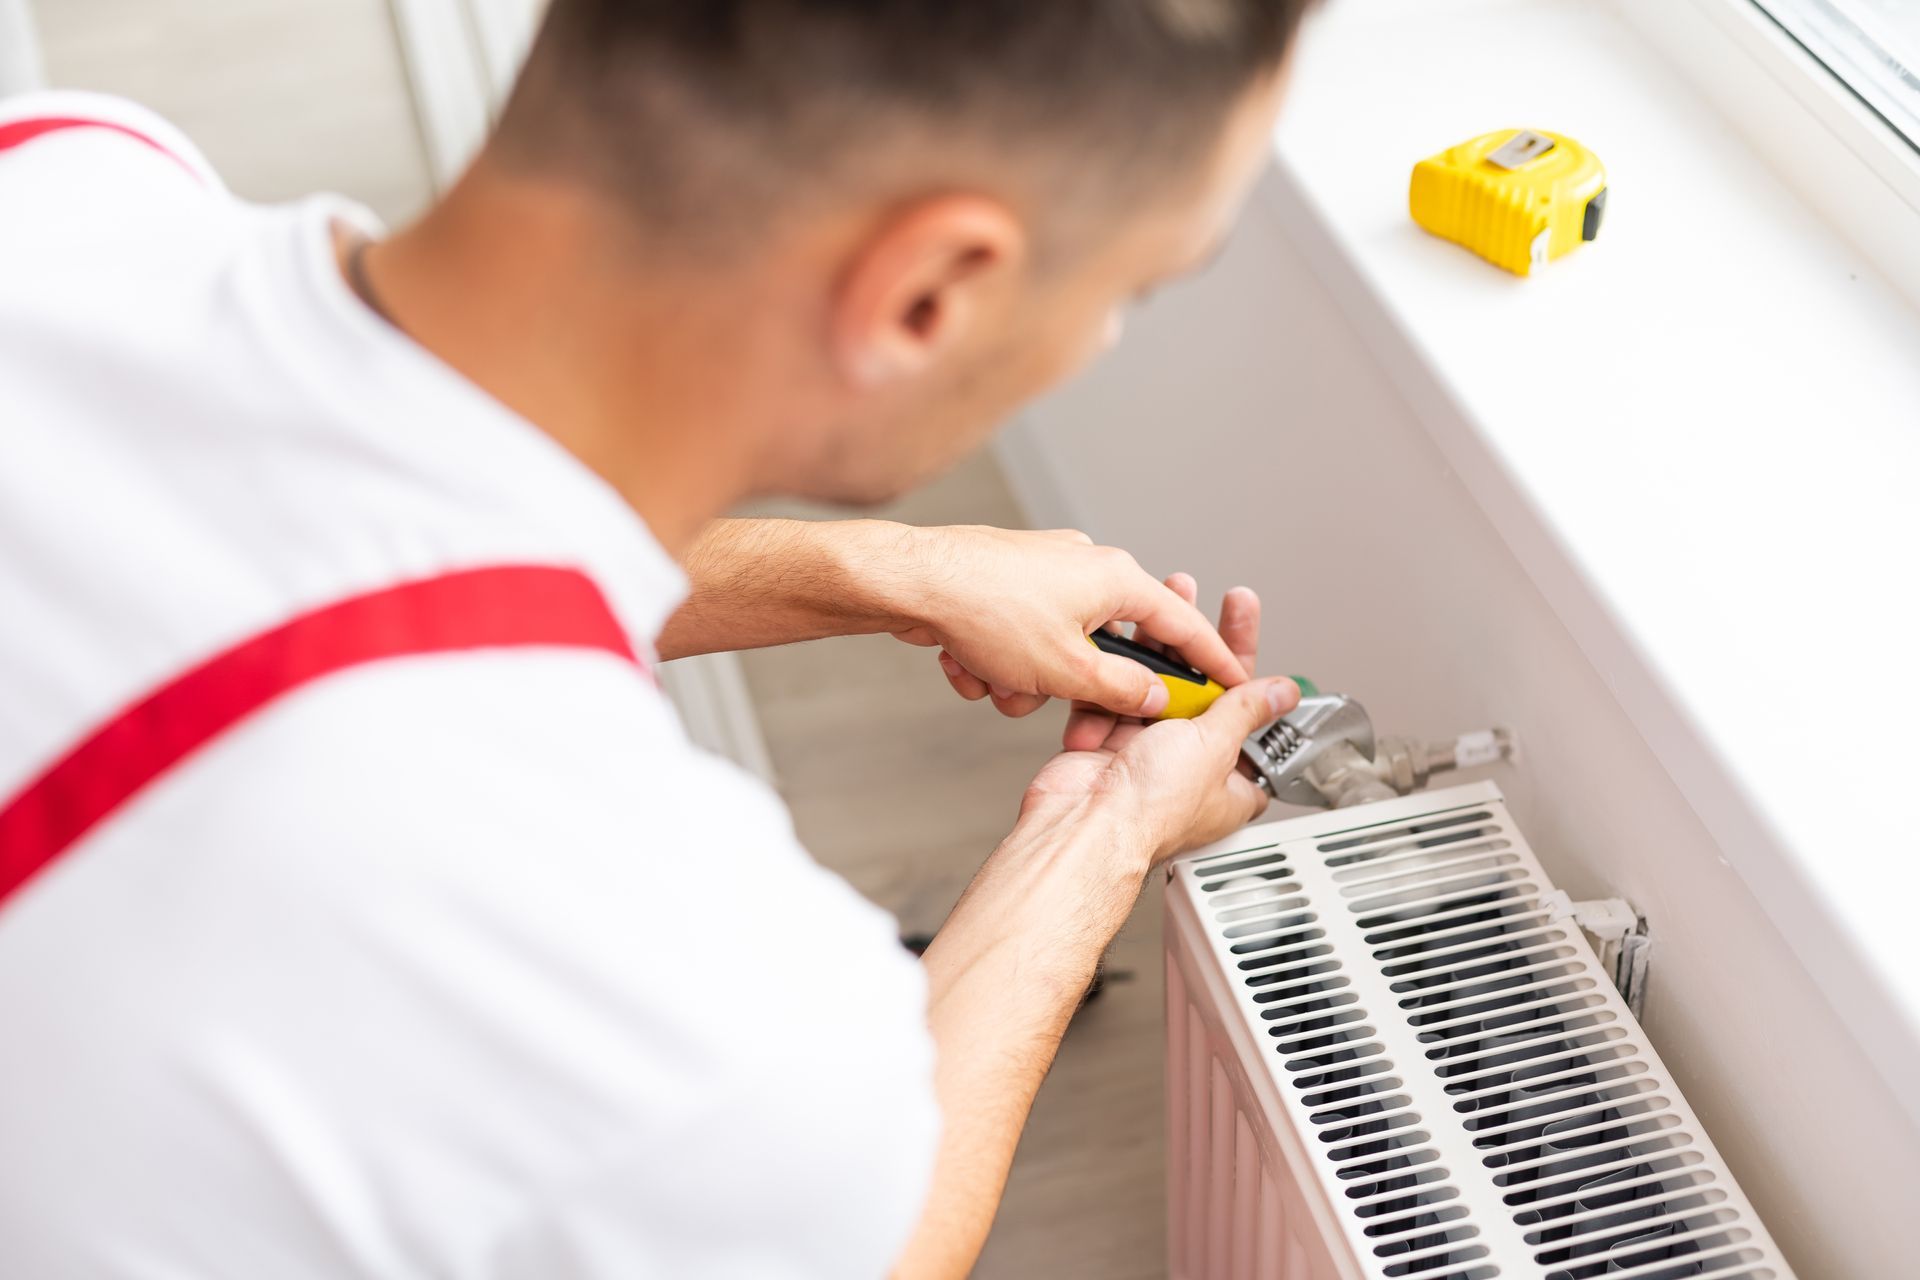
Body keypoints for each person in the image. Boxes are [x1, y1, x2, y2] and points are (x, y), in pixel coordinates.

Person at [0, 2, 1314, 1275]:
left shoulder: (73, 176)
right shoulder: (656, 977)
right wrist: (1105, 834)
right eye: (1130, 286)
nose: (1101, 334)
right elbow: (881, 1238)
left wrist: (883, 568)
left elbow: (306, 536)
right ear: (928, 294)